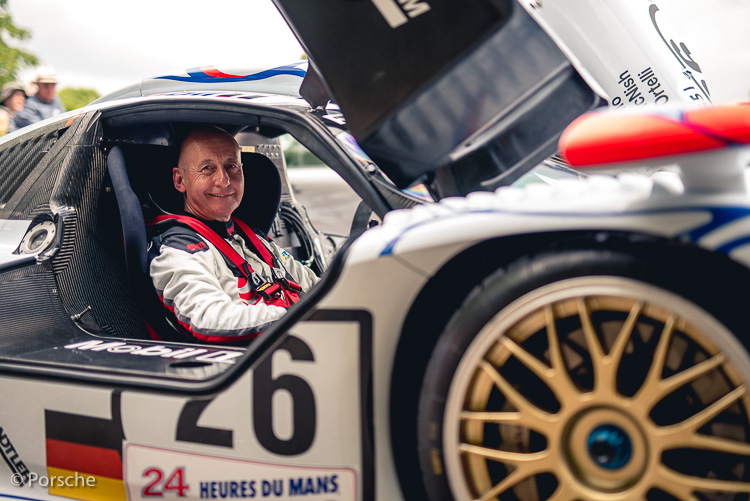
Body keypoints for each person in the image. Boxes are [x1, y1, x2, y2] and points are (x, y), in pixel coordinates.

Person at [149, 126, 318, 343]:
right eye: (208, 168)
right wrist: (303, 317)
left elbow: (315, 285)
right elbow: (209, 321)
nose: (224, 181)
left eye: (231, 167)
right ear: (180, 180)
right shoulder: (179, 250)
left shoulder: (253, 239)